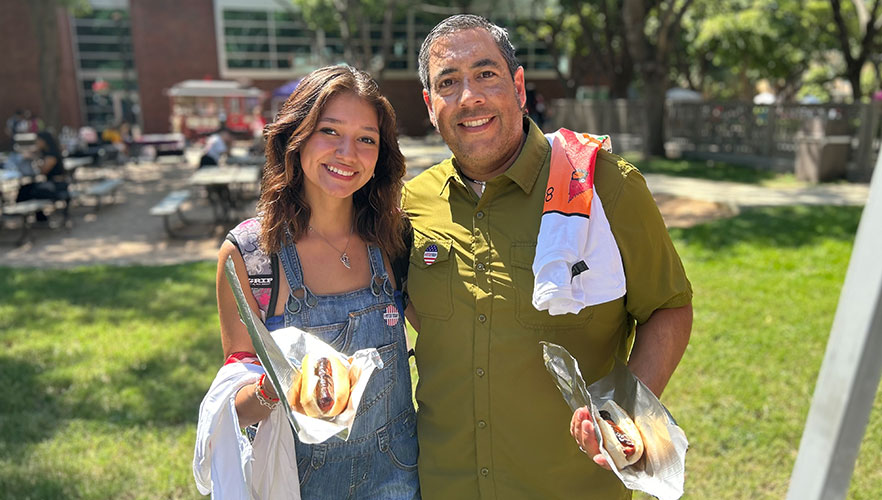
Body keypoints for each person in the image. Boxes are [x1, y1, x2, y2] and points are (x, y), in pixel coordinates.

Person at [401, 14, 693, 499]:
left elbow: (668, 307)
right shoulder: (413, 203)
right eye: (448, 83)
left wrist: (625, 412)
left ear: (518, 87)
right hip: (445, 484)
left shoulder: (604, 187)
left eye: (486, 74)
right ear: (431, 106)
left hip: (573, 487)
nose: (469, 96)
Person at [196, 65, 419, 499]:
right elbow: (236, 411)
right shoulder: (250, 255)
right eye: (329, 131)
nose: (347, 153)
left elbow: (442, 333)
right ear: (295, 137)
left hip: (398, 474)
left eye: (367, 139)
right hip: (298, 481)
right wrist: (277, 385)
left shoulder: (394, 237)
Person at [15, 130, 71, 222]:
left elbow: (43, 171)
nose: (36, 143)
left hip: (57, 186)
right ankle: (37, 217)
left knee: (28, 190)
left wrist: (34, 158)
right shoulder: (47, 152)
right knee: (26, 188)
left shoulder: (52, 155)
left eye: (38, 140)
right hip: (53, 184)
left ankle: (27, 215)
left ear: (44, 141)